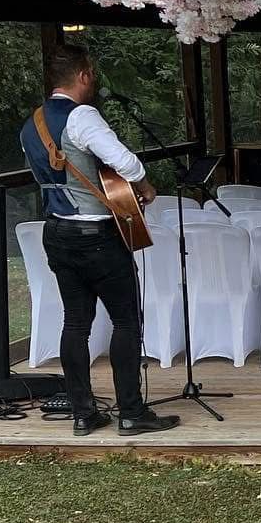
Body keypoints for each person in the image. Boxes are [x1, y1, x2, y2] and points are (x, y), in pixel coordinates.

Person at [19, 43, 181, 436]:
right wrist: (142, 183)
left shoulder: (31, 123)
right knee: (126, 321)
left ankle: (83, 413)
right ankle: (130, 413)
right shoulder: (82, 115)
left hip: (56, 231)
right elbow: (125, 162)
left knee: (75, 323)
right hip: (96, 233)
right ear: (85, 75)